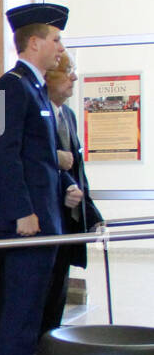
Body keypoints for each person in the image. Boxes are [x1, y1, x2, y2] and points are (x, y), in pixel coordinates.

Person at [0, 3, 70, 355]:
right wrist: (22, 211)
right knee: (19, 313)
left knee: (33, 312)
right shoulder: (8, 87)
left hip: (42, 219)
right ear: (34, 43)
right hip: (24, 224)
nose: (60, 47)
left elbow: (39, 159)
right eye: (55, 39)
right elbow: (3, 153)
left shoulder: (35, 89)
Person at [41, 49, 103, 335]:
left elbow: (78, 169)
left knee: (58, 296)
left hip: (68, 221)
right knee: (42, 298)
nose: (74, 77)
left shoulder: (68, 115)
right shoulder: (36, 112)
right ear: (47, 76)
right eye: (67, 71)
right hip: (46, 218)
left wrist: (90, 211)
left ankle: (53, 348)